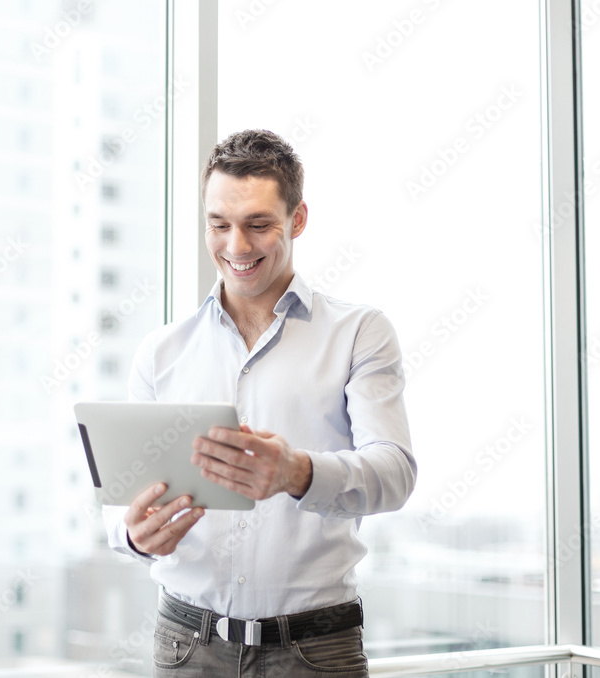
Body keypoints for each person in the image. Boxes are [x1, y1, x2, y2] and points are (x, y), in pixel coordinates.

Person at [103, 129, 416, 677]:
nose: (237, 247)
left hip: (314, 650)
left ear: (297, 220)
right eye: (219, 225)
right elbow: (125, 496)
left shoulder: (359, 332)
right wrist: (132, 534)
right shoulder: (161, 351)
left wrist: (298, 472)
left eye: (258, 225)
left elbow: (395, 472)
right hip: (186, 645)